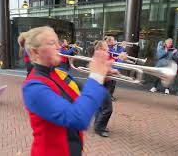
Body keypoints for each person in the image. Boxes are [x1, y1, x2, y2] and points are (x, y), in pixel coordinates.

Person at [22, 26, 113, 155]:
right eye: (51, 43)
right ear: (35, 52)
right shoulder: (33, 87)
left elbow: (85, 95)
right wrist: (96, 76)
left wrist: (103, 75)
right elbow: (77, 118)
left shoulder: (59, 72)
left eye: (57, 41)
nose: (59, 47)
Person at [91, 40, 120, 137]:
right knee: (108, 108)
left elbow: (105, 67)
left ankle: (98, 125)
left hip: (103, 83)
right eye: (106, 46)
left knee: (101, 106)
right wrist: (119, 59)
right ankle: (99, 128)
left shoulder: (102, 54)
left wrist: (112, 71)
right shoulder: (99, 54)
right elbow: (103, 67)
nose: (108, 47)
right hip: (99, 84)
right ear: (100, 48)